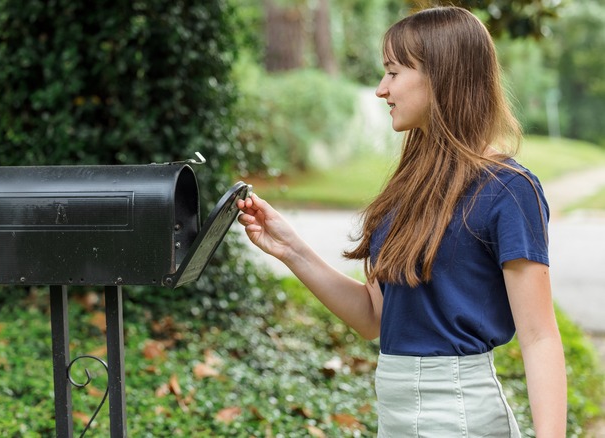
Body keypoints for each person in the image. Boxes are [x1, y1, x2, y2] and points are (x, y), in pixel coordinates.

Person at [237, 6, 567, 437]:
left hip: (462, 418)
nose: (380, 89)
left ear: (441, 75)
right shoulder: (407, 190)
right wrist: (289, 248)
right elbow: (374, 318)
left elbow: (540, 338)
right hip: (393, 418)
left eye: (393, 72)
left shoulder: (509, 189)